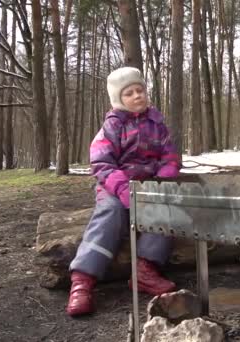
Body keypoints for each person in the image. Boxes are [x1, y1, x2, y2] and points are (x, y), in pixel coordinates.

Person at [66, 67, 181, 317]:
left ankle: (145, 270)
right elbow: (101, 163)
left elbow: (170, 157)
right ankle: (82, 281)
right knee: (111, 211)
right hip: (114, 186)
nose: (138, 96)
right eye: (129, 93)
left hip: (148, 185)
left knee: (164, 207)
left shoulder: (157, 124)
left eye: (140, 90)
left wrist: (163, 178)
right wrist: (121, 189)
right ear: (119, 99)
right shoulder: (112, 126)